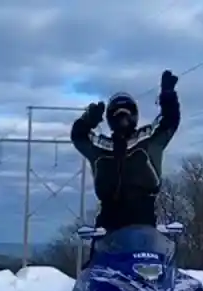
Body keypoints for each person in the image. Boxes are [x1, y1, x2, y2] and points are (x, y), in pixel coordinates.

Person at [70, 70, 181, 249]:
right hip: (108, 223)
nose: (123, 118)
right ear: (109, 118)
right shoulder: (100, 146)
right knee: (98, 263)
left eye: (127, 113)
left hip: (143, 221)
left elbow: (169, 121)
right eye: (117, 114)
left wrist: (168, 95)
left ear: (134, 115)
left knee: (150, 262)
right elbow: (79, 136)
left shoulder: (149, 139)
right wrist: (88, 119)